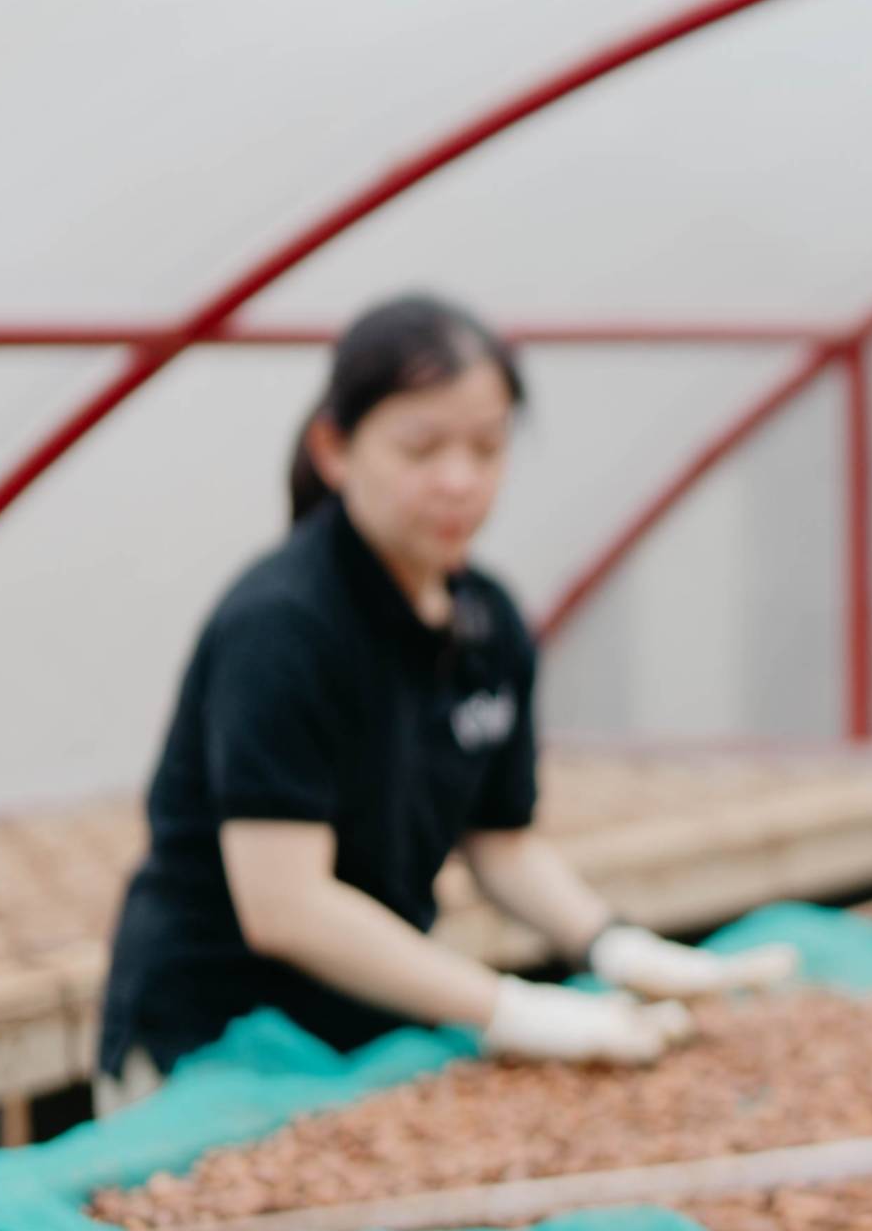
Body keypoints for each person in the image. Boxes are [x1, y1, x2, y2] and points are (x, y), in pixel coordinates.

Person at [95, 294, 762, 1098]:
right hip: (214, 1042)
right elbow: (286, 906)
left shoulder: (489, 621)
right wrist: (509, 1008)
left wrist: (611, 945)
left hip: (365, 1028)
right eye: (421, 448)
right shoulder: (281, 626)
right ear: (334, 449)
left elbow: (500, 844)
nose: (458, 481)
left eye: (486, 448)